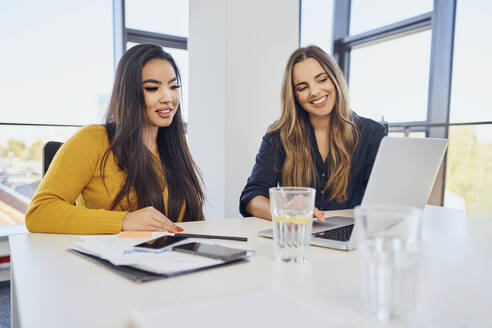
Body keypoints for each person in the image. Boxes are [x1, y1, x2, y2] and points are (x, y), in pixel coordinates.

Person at [26, 44, 204, 234]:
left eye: (173, 86)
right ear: (128, 93)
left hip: (175, 259)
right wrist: (123, 221)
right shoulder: (92, 140)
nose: (168, 97)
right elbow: (39, 213)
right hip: (110, 260)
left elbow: (195, 221)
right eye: (153, 88)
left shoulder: (175, 148)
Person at [239, 45, 387, 220]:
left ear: (335, 78)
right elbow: (252, 197)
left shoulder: (373, 134)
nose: (315, 92)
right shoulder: (279, 135)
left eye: (322, 79)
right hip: (297, 235)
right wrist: (287, 213)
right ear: (294, 95)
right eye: (302, 87)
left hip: (353, 238)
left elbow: (383, 202)